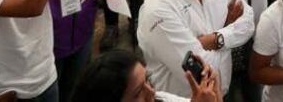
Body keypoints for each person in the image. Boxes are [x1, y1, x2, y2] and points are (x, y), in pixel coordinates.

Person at [70, 48, 221, 102]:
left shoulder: (161, 99)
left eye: (147, 81)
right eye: (137, 94)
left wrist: (215, 94)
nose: (152, 92)